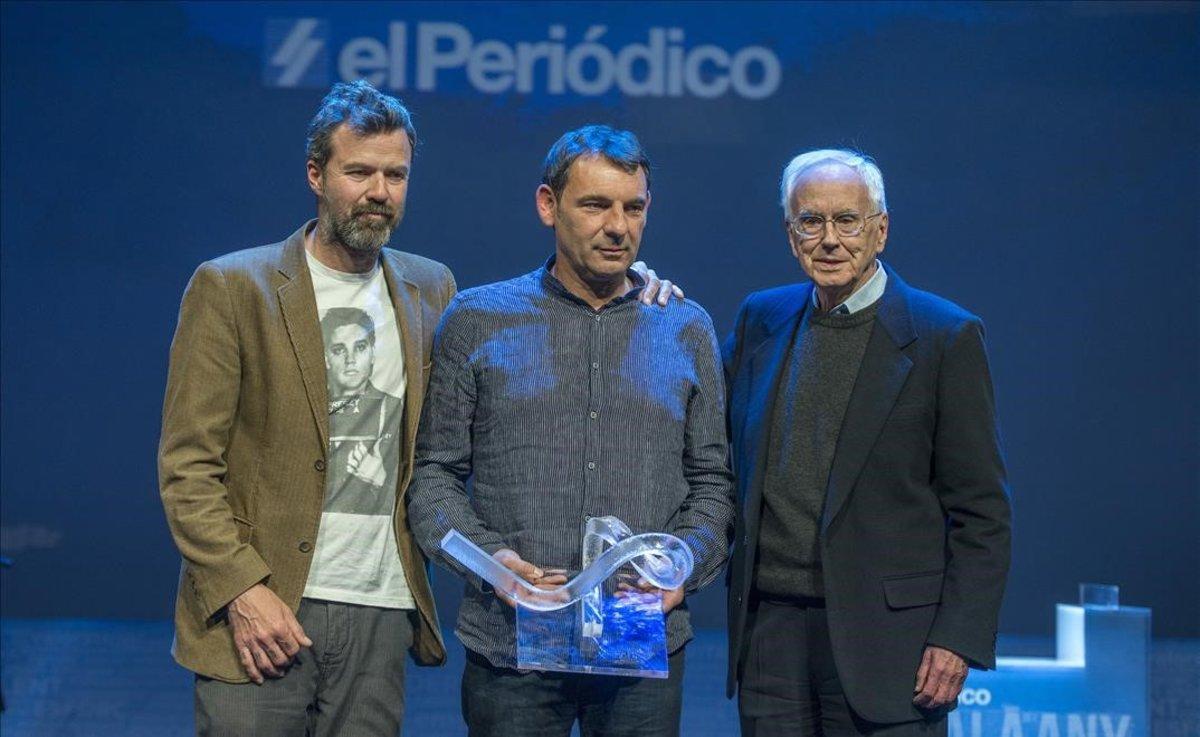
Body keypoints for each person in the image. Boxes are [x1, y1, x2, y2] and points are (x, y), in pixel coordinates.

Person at [158, 80, 681, 737]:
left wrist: (636, 284)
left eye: (395, 174)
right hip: (269, 607)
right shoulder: (235, 286)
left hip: (382, 606)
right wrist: (241, 590)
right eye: (359, 171)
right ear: (316, 175)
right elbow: (188, 468)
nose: (378, 190)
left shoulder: (433, 289)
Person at [407, 125, 736, 737]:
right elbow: (433, 479)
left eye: (633, 208)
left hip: (640, 644)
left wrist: (681, 565)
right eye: (595, 205)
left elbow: (714, 483)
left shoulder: (684, 327)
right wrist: (494, 564)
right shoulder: (478, 319)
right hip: (511, 651)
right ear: (547, 205)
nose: (618, 226)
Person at [724, 149, 1012, 735]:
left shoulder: (944, 336)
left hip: (892, 647)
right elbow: (696, 408)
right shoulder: (761, 319)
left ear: (880, 230)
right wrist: (643, 294)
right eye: (811, 221)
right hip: (770, 639)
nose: (829, 239)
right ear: (790, 233)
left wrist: (956, 639)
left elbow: (982, 512)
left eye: (847, 221)